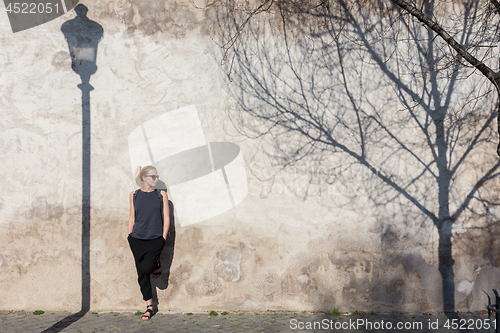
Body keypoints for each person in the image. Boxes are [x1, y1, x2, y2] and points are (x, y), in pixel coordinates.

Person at [128, 165, 170, 320]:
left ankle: (156, 264)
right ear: (144, 178)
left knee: (147, 268)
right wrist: (129, 236)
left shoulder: (161, 194)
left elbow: (166, 217)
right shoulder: (134, 195)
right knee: (141, 274)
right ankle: (149, 307)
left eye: (157, 176)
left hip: (155, 239)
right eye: (153, 177)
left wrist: (163, 238)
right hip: (137, 239)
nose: (156, 179)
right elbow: (132, 217)